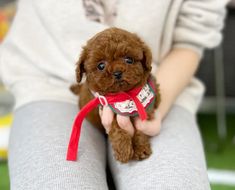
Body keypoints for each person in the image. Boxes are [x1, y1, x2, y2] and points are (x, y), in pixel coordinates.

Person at [0, 0, 229, 189]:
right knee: (59, 182)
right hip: (47, 84)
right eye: (101, 66)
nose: (117, 70)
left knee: (171, 182)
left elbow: (191, 40)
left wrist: (155, 110)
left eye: (128, 60)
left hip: (162, 81)